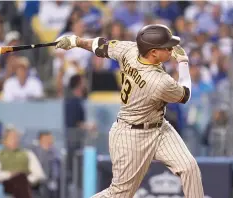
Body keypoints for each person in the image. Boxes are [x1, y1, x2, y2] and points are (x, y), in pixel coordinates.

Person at [55, 24, 204, 198]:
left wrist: (75, 40)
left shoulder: (130, 49)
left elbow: (99, 46)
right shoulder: (158, 81)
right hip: (131, 135)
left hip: (160, 128)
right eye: (167, 47)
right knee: (120, 193)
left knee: (189, 167)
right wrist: (183, 63)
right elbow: (185, 95)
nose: (172, 49)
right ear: (153, 52)